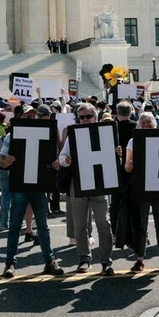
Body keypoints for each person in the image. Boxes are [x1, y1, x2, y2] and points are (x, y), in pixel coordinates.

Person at [0, 109, 65, 279]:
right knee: (15, 226)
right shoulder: (11, 135)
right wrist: (5, 163)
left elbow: (55, 158)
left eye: (32, 116)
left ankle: (49, 261)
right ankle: (10, 263)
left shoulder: (46, 134)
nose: (31, 118)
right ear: (20, 118)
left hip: (39, 185)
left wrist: (56, 165)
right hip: (20, 185)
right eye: (27, 116)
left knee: (43, 226)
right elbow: (1, 159)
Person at [58, 103, 115, 275]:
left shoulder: (105, 133)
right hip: (78, 183)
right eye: (81, 117)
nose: (84, 120)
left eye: (88, 116)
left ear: (95, 117)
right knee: (80, 225)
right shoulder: (73, 135)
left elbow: (112, 160)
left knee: (103, 224)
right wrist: (65, 160)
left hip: (98, 184)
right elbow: (61, 157)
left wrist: (117, 153)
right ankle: (84, 258)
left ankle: (106, 261)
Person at [124, 112, 159, 273]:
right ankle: (140, 259)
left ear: (155, 124)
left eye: (149, 122)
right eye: (144, 122)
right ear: (139, 125)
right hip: (142, 187)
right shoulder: (133, 141)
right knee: (141, 224)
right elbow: (127, 167)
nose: (147, 125)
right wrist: (130, 166)